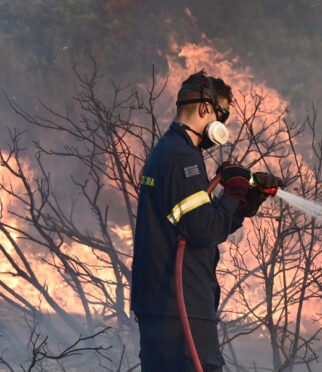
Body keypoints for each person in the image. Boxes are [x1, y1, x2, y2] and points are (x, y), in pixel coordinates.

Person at [130, 70, 271, 371]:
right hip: (182, 307)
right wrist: (232, 195)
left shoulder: (167, 151)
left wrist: (245, 203)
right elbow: (201, 230)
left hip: (159, 306)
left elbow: (195, 222)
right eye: (222, 115)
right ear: (206, 108)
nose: (221, 125)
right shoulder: (184, 158)